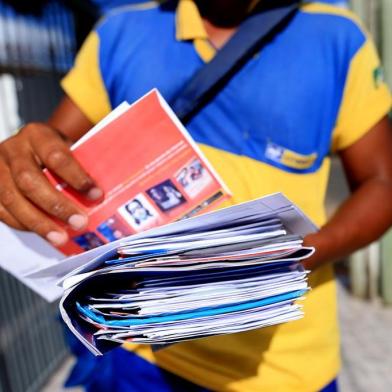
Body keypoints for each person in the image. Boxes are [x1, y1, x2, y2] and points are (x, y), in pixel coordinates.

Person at [1, 0, 392, 391]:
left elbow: (381, 181)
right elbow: (58, 152)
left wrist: (292, 258)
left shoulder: (337, 37)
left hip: (285, 365)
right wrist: (26, 161)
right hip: (142, 350)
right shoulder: (118, 34)